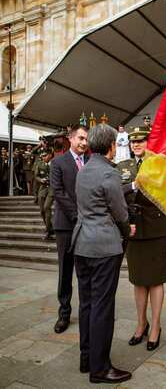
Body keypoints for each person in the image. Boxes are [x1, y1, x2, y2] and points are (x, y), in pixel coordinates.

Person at [72, 124, 133, 384]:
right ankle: (100, 368)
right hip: (103, 246)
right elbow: (120, 212)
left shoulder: (84, 170)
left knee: (87, 303)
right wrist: (126, 229)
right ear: (111, 147)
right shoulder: (110, 174)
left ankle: (87, 358)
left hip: (81, 243)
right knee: (102, 307)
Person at [117, 126, 166, 351]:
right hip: (134, 228)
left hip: (157, 227)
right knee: (138, 280)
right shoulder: (123, 167)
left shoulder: (160, 163)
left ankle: (156, 325)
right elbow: (114, 190)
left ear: (150, 141)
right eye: (133, 142)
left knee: (156, 279)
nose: (137, 144)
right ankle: (141, 323)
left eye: (141, 140)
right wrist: (132, 185)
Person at [50, 124, 88, 334]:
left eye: (86, 139)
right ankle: (64, 313)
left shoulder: (91, 161)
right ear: (71, 139)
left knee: (85, 271)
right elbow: (58, 191)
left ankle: (86, 312)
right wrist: (77, 215)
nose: (84, 143)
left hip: (87, 227)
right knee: (65, 272)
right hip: (66, 226)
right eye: (80, 138)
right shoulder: (58, 162)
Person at [35, 149, 54, 240]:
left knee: (47, 207)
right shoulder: (39, 164)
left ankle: (47, 231)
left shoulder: (54, 163)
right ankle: (50, 227)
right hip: (42, 188)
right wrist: (40, 180)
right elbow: (36, 175)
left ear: (50, 155)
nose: (43, 157)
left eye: (45, 155)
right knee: (42, 210)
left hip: (51, 188)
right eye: (42, 156)